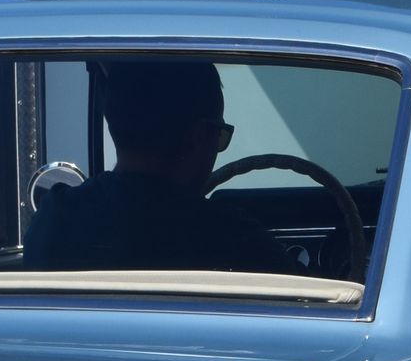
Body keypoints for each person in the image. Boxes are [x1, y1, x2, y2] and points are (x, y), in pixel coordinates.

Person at [23, 58, 281, 273]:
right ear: (200, 136)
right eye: (220, 135)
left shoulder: (55, 220)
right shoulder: (235, 239)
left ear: (115, 124)